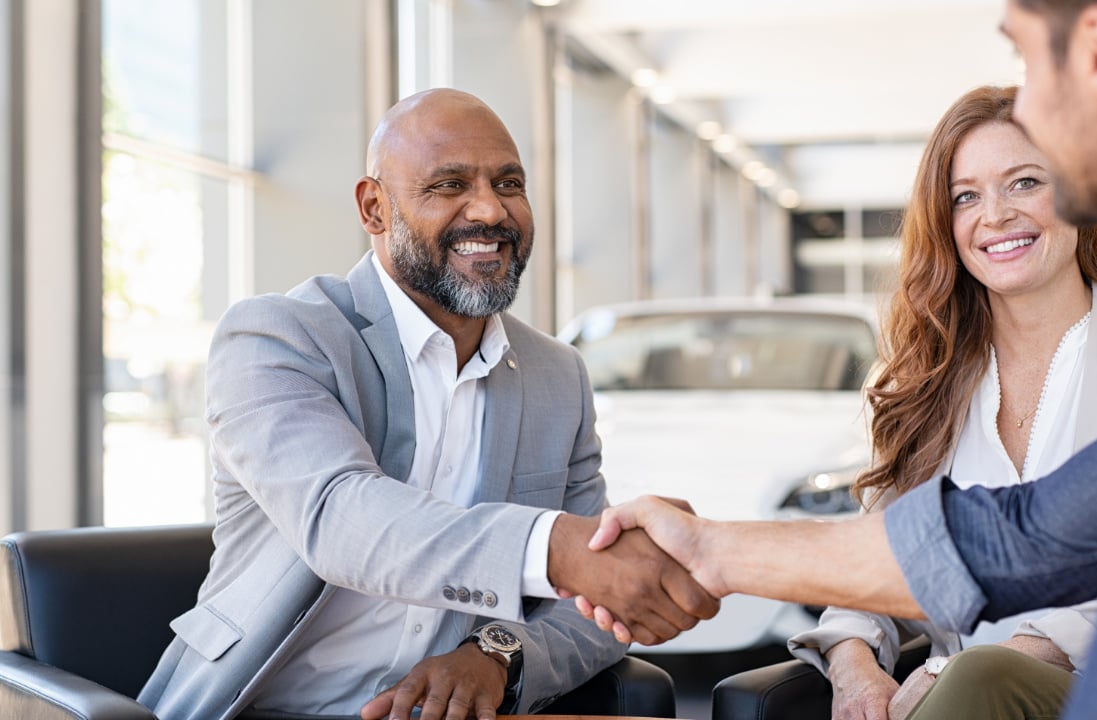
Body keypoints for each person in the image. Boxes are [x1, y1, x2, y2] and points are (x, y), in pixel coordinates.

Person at [581, 1, 1097, 717]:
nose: (997, 212)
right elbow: (1021, 539)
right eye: (966, 196)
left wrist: (999, 662)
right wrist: (713, 549)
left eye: (1027, 63)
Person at [138, 88, 718, 720]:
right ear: (374, 208)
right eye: (448, 185)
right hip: (263, 707)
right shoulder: (276, 337)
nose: (490, 211)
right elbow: (342, 517)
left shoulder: (558, 376)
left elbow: (592, 608)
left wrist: (498, 653)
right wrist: (556, 550)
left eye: (509, 183)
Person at [787, 84, 1097, 720]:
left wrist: (955, 668)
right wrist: (854, 665)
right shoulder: (930, 377)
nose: (995, 215)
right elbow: (876, 555)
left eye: (1026, 182)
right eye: (966, 197)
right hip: (950, 700)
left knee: (983, 678)